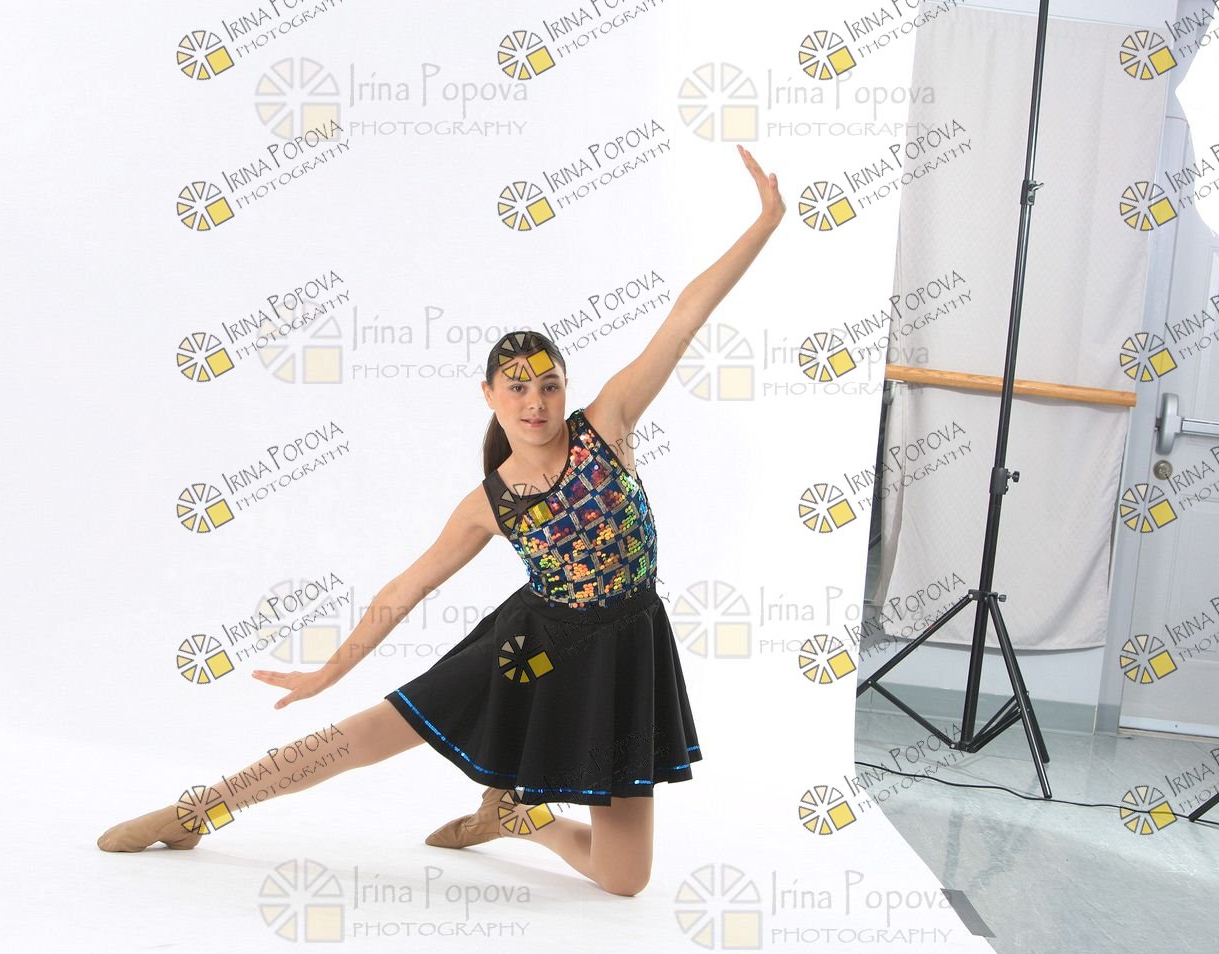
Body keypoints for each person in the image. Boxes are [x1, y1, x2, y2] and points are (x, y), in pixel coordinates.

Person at [97, 144, 785, 897]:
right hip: (532, 646)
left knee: (625, 881)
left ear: (567, 389)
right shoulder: (490, 502)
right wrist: (329, 670)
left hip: (625, 650)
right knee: (368, 735)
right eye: (516, 387)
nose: (535, 401)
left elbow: (686, 314)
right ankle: (196, 809)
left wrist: (765, 221)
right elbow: (407, 587)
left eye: (549, 385)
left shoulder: (609, 424)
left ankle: (513, 817)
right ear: (489, 394)